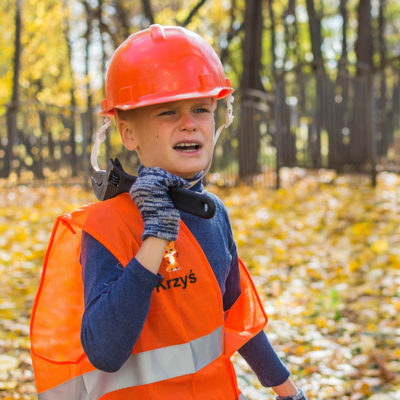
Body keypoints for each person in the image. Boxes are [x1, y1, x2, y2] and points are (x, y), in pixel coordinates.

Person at [30, 25, 307, 400]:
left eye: (200, 109)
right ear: (128, 133)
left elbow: (235, 313)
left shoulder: (213, 214)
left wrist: (287, 389)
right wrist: (156, 235)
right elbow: (106, 350)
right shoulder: (108, 225)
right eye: (167, 112)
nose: (189, 122)